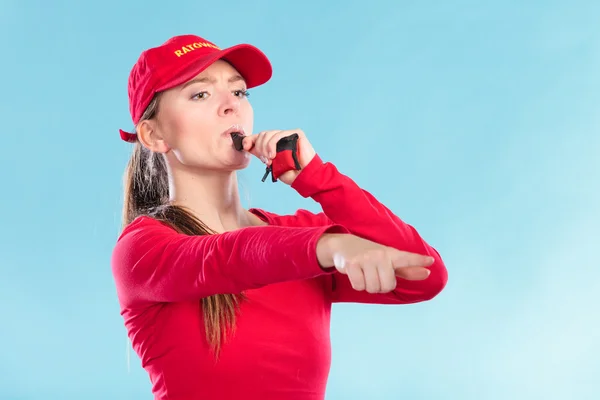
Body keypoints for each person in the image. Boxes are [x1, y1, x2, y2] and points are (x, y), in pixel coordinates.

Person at [111, 33, 448, 400]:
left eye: (239, 92)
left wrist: (319, 177)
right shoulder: (141, 250)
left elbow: (424, 276)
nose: (231, 106)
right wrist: (330, 246)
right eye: (200, 94)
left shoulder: (303, 236)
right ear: (154, 134)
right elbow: (227, 258)